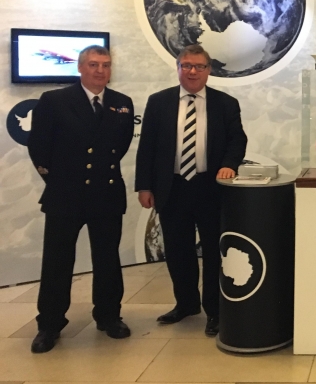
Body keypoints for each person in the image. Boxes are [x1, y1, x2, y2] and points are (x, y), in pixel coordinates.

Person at [26, 46, 134, 353]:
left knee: (108, 260)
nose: (100, 70)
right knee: (58, 262)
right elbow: (39, 146)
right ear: (80, 67)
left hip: (106, 193)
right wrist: (59, 179)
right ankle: (49, 324)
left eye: (106, 65)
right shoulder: (55, 100)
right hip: (66, 195)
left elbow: (120, 146)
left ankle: (109, 316)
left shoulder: (121, 103)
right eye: (93, 64)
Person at [135, 44, 247, 337]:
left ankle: (215, 311)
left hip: (210, 187)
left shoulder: (226, 103)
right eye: (187, 66)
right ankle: (186, 304)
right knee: (177, 250)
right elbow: (146, 146)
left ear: (209, 70)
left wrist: (229, 165)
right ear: (178, 69)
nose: (193, 71)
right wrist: (144, 186)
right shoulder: (158, 102)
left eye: (199, 66)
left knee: (213, 252)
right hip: (171, 187)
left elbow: (237, 141)